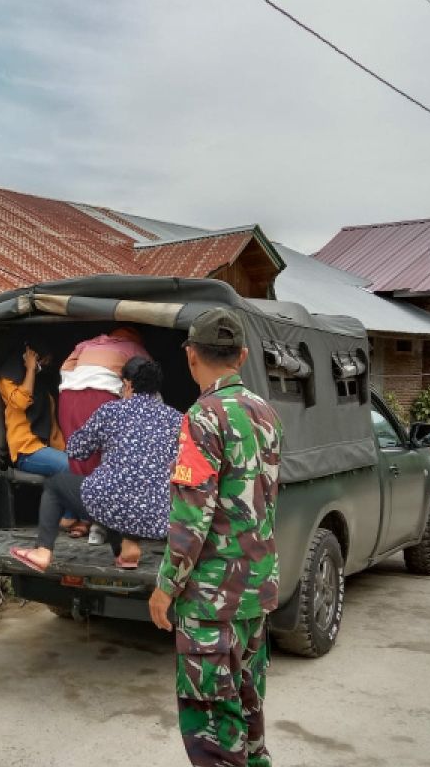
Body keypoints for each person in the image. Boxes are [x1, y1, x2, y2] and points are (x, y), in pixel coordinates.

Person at [148, 308, 282, 767]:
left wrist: (165, 587)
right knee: (249, 715)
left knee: (212, 732)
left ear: (190, 356)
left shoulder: (202, 418)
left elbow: (192, 518)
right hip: (254, 594)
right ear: (242, 356)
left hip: (210, 601)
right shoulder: (266, 413)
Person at [8, 356, 182, 571]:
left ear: (128, 384)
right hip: (158, 515)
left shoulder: (111, 411)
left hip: (113, 502)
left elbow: (76, 450)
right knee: (128, 489)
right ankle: (127, 551)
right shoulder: (177, 419)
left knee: (60, 485)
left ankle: (42, 551)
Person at [58, 326, 151, 541]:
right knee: (109, 456)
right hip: (103, 396)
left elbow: (65, 368)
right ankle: (103, 523)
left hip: (68, 398)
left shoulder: (85, 344)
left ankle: (85, 519)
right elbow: (147, 377)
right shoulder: (134, 347)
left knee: (80, 456)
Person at [0, 339, 67, 476]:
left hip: (45, 448)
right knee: (67, 467)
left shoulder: (43, 388)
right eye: (43, 361)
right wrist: (30, 369)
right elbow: (22, 402)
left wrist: (65, 451)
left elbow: (53, 429)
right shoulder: (8, 380)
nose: (46, 364)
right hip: (26, 451)